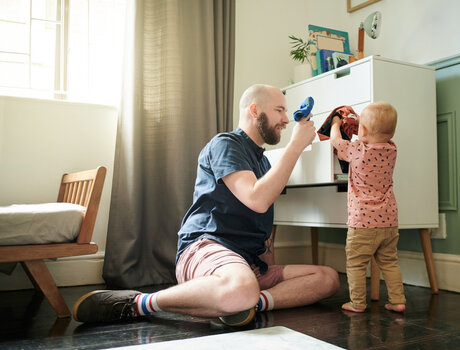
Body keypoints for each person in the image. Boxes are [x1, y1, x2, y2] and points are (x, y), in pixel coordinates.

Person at [72, 84, 340, 325]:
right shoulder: (226, 144)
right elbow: (257, 200)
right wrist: (295, 146)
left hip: (247, 264)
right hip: (206, 247)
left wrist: (264, 265)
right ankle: (139, 303)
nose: (285, 119)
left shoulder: (264, 162)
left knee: (328, 279)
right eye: (280, 110)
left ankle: (249, 303)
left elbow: (262, 224)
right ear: (255, 110)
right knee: (241, 288)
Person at [329, 101, 406, 313]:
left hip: (362, 222)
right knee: (389, 262)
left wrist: (336, 121)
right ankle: (398, 300)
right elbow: (374, 138)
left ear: (362, 130)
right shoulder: (392, 149)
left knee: (356, 264)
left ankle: (357, 303)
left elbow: (336, 141)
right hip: (389, 220)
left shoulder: (355, 150)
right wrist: (360, 124)